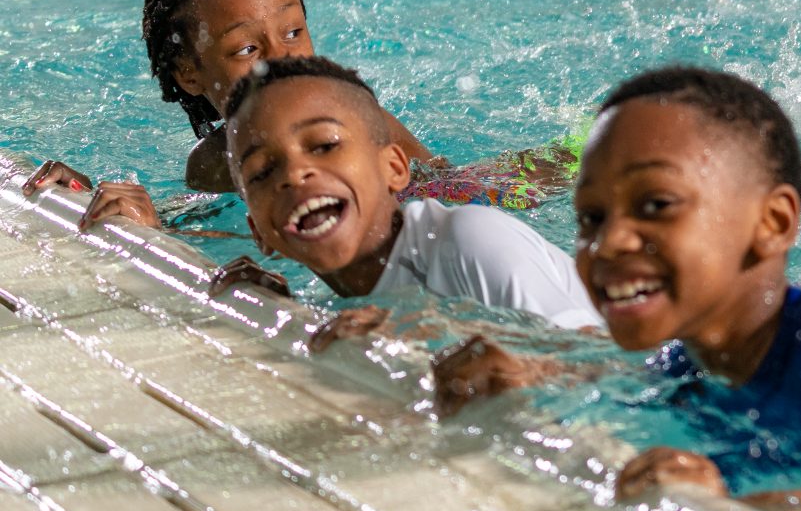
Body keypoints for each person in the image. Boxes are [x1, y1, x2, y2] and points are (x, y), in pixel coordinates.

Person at [437, 66, 801, 511]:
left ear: (771, 223)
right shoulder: (703, 348)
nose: (608, 242)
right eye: (591, 216)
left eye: (656, 205)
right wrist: (531, 369)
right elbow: (643, 380)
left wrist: (743, 508)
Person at [64, 0, 574, 234]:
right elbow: (232, 223)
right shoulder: (209, 163)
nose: (280, 58)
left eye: (292, 32)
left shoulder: (355, 123)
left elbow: (440, 194)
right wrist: (103, 201)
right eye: (246, 48)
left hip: (492, 192)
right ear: (190, 74)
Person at [222, 55, 600, 331]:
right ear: (258, 231)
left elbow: (600, 358)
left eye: (324, 145)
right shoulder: (337, 306)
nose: (293, 174)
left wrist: (443, 330)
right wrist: (286, 311)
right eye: (262, 172)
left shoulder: (468, 241)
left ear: (395, 169)